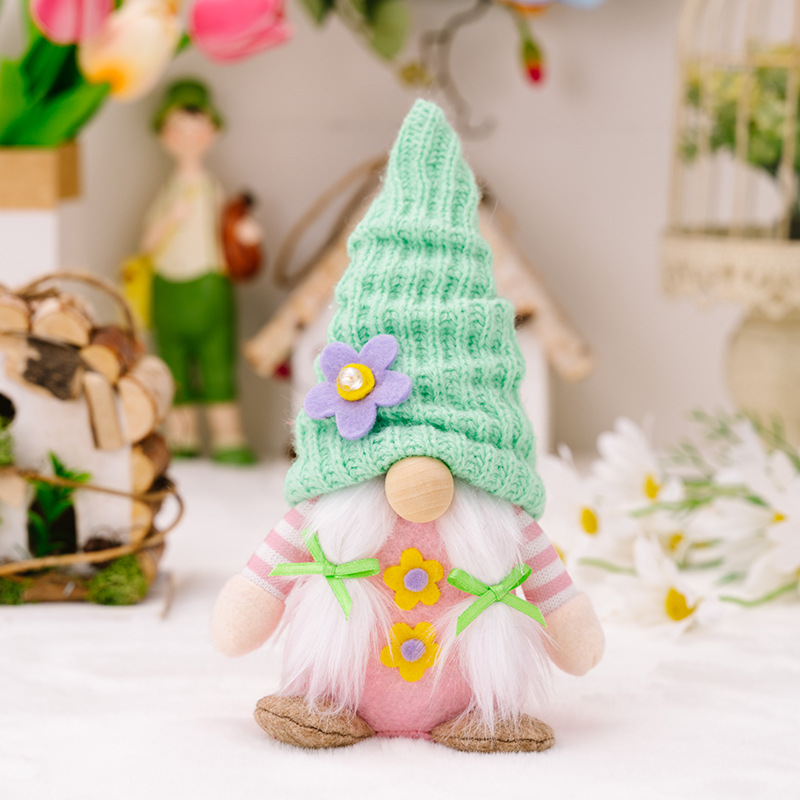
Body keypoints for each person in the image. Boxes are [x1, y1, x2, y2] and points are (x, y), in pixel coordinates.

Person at [141, 78, 258, 463]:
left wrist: (244, 233)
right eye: (179, 128)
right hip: (169, 288)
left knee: (217, 362)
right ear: (164, 134)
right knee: (173, 366)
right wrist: (171, 219)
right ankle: (182, 437)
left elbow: (229, 229)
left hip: (208, 285)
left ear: (212, 131)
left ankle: (228, 438)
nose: (189, 137)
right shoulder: (170, 191)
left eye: (198, 128)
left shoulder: (211, 188)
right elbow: (147, 243)